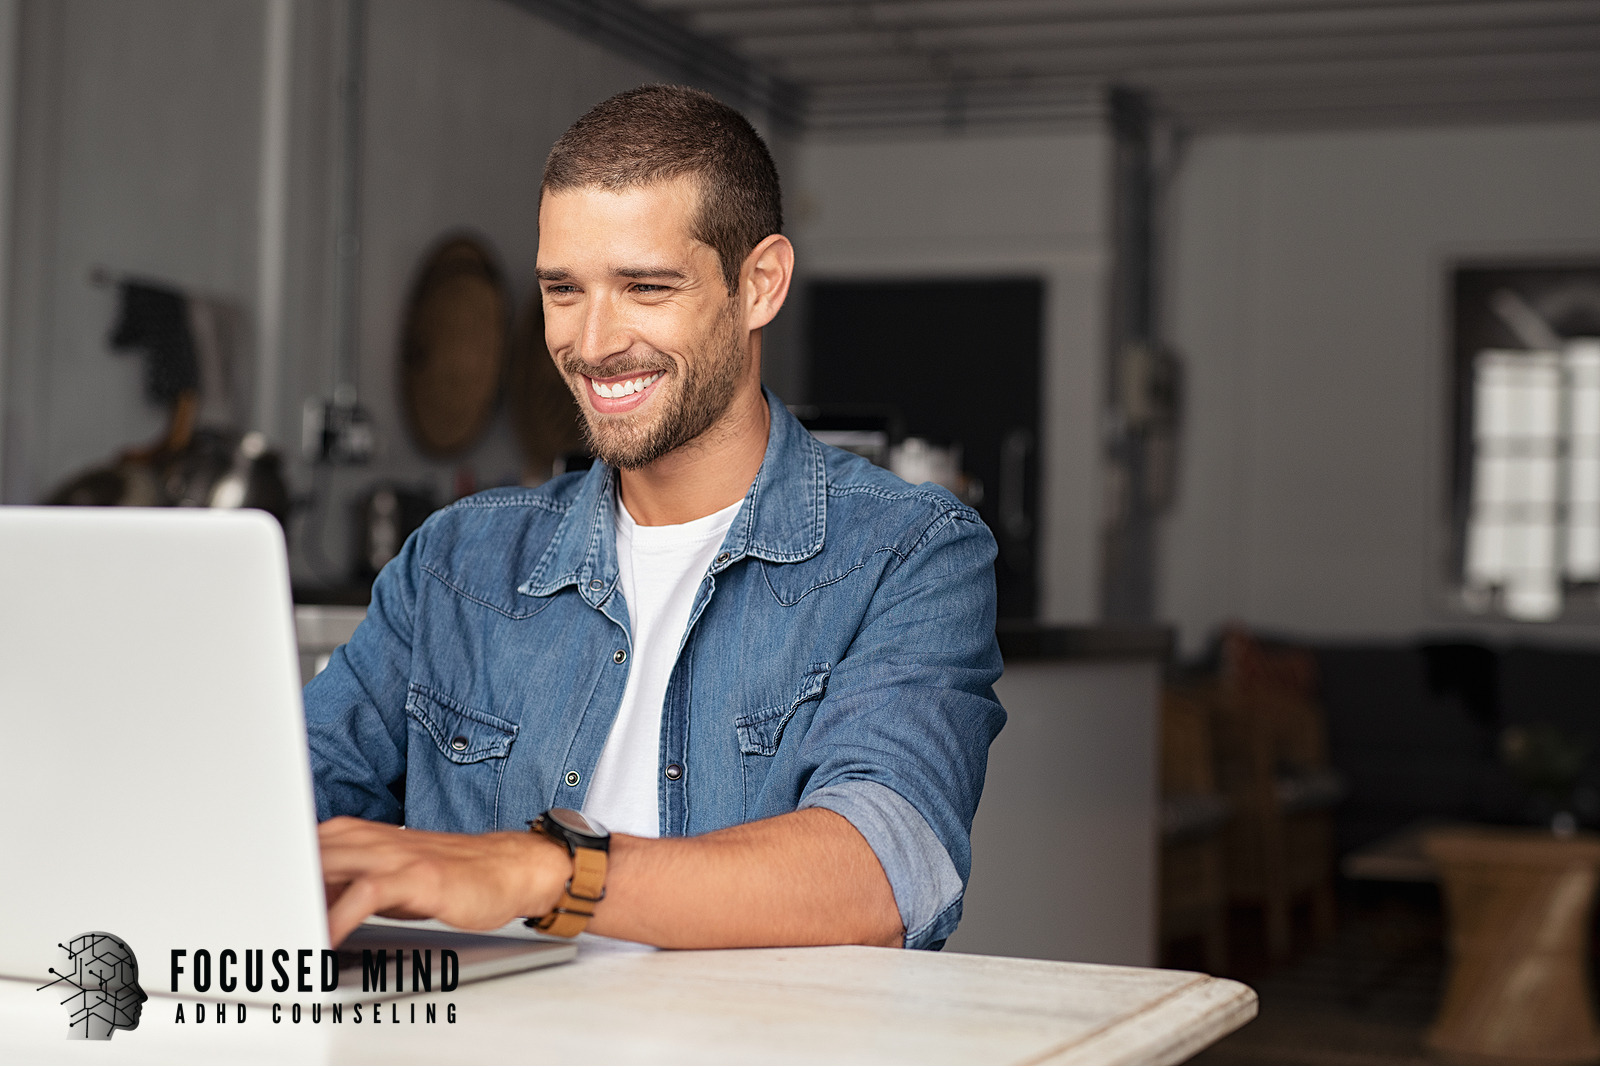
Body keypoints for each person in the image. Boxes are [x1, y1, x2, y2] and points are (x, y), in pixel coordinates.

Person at [306, 85, 1005, 952]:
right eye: (564, 289)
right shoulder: (454, 561)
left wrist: (548, 871)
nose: (594, 341)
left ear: (760, 284)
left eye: (645, 286)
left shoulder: (909, 553)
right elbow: (278, 806)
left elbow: (881, 870)